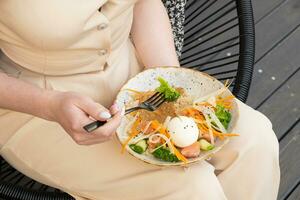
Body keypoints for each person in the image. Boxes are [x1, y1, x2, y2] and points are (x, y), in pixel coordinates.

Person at [0, 0, 280, 199]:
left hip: (136, 73)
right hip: (38, 103)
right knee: (192, 188)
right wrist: (48, 105)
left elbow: (144, 3)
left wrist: (169, 80)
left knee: (256, 140)